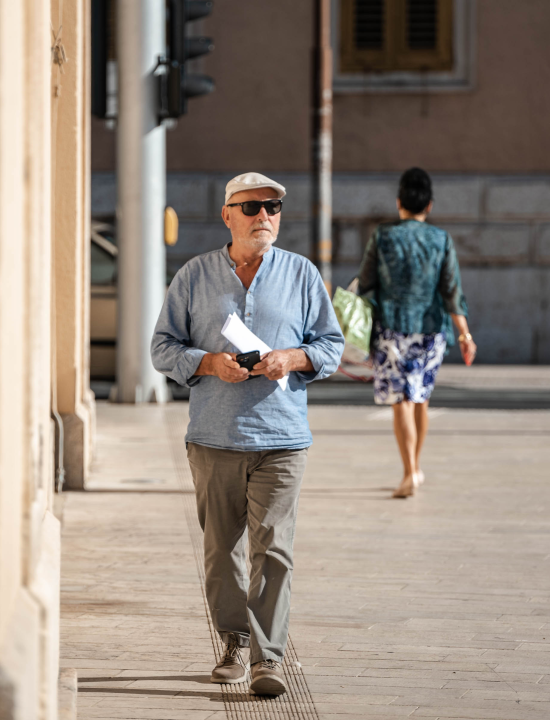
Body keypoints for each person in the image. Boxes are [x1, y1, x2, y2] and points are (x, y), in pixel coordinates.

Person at [151, 172, 344, 696]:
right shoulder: (194, 275)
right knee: (221, 553)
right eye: (253, 207)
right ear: (227, 215)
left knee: (274, 551)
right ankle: (233, 641)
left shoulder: (302, 274)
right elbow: (162, 347)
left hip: (282, 440)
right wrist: (209, 362)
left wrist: (292, 358)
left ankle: (268, 658)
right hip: (213, 439)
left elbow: (331, 346)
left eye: (273, 207)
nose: (265, 216)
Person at [356, 167, 476, 499]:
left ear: (399, 202)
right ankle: (416, 467)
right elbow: (452, 291)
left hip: (392, 328)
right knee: (420, 398)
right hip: (431, 330)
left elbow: (365, 283)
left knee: (401, 401)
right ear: (429, 205)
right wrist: (465, 335)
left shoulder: (383, 236)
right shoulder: (441, 239)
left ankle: (409, 472)